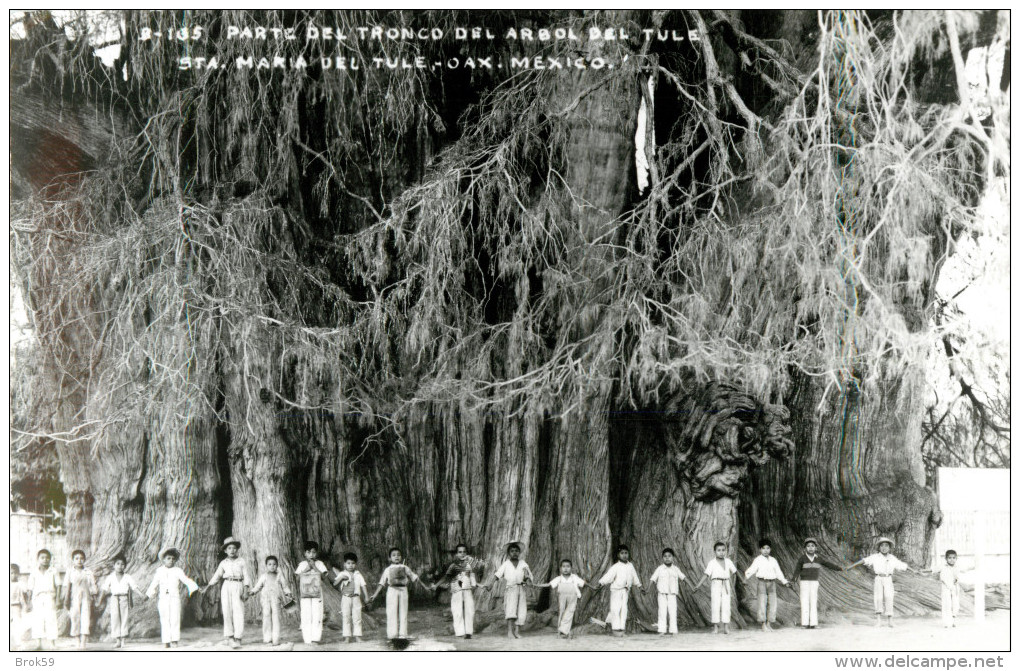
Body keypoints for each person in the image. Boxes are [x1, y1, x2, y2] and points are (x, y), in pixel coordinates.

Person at [845, 536, 921, 627]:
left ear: (889, 548)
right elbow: (863, 561)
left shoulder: (892, 558)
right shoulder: (875, 557)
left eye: (886, 546)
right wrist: (851, 566)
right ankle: (879, 621)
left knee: (889, 597)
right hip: (878, 578)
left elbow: (902, 565)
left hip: (888, 578)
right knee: (878, 598)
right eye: (882, 546)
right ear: (879, 547)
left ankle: (890, 621)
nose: (884, 548)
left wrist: (913, 570)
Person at [369, 547, 436, 640]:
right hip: (392, 591)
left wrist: (425, 587)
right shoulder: (387, 570)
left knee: (403, 612)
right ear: (389, 558)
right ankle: (392, 635)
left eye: (398, 555)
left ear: (401, 557)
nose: (396, 557)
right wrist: (375, 595)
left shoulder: (405, 568)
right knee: (391, 611)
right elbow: (381, 583)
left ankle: (403, 634)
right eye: (394, 555)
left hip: (403, 590)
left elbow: (415, 578)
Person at [146, 548, 200, 648]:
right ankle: (166, 641)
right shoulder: (159, 571)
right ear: (163, 560)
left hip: (175, 598)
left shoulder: (178, 571)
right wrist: (148, 594)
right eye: (168, 558)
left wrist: (195, 587)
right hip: (163, 599)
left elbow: (186, 580)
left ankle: (174, 640)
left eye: (173, 558)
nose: (171, 560)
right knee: (164, 619)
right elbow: (154, 583)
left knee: (174, 619)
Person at [205, 536, 252, 648]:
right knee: (227, 611)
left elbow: (246, 576)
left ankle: (238, 637)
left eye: (234, 548)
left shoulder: (241, 561)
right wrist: (208, 586)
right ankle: (229, 636)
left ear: (237, 550)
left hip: (238, 585)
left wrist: (246, 590)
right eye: (229, 548)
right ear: (225, 550)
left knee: (238, 611)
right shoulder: (223, 563)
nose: (232, 550)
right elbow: (217, 576)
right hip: (226, 586)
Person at [482, 542, 534, 639]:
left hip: (521, 589)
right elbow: (497, 575)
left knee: (521, 610)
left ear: (519, 552)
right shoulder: (506, 564)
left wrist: (527, 578)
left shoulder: (523, 563)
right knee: (511, 609)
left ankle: (517, 631)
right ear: (508, 553)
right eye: (512, 551)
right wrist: (490, 584)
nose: (514, 553)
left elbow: (528, 575)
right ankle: (510, 631)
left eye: (516, 551)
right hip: (511, 589)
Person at [790, 537, 844, 629]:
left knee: (813, 602)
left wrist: (839, 568)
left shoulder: (818, 559)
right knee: (804, 601)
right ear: (805, 548)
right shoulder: (802, 559)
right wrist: (793, 580)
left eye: (812, 546)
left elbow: (828, 564)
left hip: (814, 583)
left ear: (816, 548)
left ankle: (813, 623)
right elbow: (797, 570)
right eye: (808, 546)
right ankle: (805, 623)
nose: (810, 548)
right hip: (804, 583)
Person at [691, 541, 742, 634]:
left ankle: (726, 627)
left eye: (723, 550)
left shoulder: (728, 561)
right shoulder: (712, 563)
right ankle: (715, 627)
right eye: (719, 550)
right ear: (714, 551)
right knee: (715, 605)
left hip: (726, 583)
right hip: (716, 584)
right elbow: (706, 575)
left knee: (726, 605)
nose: (721, 552)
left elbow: (735, 571)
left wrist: (743, 580)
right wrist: (698, 585)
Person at [532, 559, 590, 638]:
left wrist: (593, 587)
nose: (566, 568)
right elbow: (548, 584)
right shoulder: (559, 578)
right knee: (562, 612)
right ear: (560, 568)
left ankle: (567, 631)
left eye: (568, 566)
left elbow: (584, 583)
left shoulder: (574, 578)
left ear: (571, 568)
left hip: (572, 596)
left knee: (570, 612)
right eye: (563, 567)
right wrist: (535, 585)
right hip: (562, 596)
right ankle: (560, 632)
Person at [594, 544, 642, 637]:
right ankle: (615, 629)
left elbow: (634, 577)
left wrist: (639, 586)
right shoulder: (616, 566)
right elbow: (608, 576)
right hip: (616, 591)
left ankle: (621, 628)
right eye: (622, 553)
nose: (624, 555)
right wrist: (601, 583)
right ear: (618, 555)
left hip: (625, 591)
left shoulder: (630, 566)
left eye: (626, 553)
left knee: (624, 610)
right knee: (615, 609)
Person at [101, 554, 147, 648]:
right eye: (117, 564)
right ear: (114, 565)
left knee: (124, 618)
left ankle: (123, 641)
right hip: (114, 598)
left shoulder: (127, 577)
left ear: (125, 566)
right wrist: (99, 600)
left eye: (122, 564)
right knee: (115, 618)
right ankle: (117, 640)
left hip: (124, 599)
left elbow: (134, 587)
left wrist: (141, 595)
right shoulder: (110, 577)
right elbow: (104, 588)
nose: (120, 566)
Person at [744, 538, 789, 632]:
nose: (765, 550)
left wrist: (784, 581)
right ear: (760, 549)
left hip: (772, 583)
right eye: (763, 548)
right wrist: (746, 578)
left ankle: (769, 623)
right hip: (762, 583)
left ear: (770, 549)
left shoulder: (773, 560)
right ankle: (763, 624)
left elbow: (778, 572)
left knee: (772, 603)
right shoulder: (758, 560)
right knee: (762, 603)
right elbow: (752, 569)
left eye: (768, 548)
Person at [250, 555, 292, 646]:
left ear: (277, 565)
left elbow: (284, 586)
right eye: (269, 564)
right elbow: (258, 586)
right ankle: (267, 639)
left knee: (276, 618)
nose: (272, 566)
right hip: (265, 599)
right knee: (266, 616)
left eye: (274, 564)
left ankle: (276, 639)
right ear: (266, 566)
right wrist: (253, 591)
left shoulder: (279, 576)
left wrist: (288, 592)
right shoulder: (264, 576)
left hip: (276, 599)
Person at [440, 544, 479, 639]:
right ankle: (459, 631)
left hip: (467, 589)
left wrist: (474, 584)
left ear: (467, 553)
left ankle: (469, 632)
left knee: (470, 609)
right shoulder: (453, 566)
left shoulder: (469, 565)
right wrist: (439, 585)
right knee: (457, 610)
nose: (462, 554)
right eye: (460, 552)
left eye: (464, 552)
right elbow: (447, 577)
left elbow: (472, 575)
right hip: (456, 589)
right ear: (456, 554)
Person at [63, 549, 99, 649]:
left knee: (85, 619)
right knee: (75, 618)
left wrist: (94, 598)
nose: (79, 560)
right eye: (77, 558)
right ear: (73, 560)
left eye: (82, 558)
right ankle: (77, 641)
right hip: (74, 598)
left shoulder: (88, 572)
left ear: (84, 560)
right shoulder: (70, 571)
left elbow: (92, 586)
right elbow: (67, 586)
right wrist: (66, 599)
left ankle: (83, 642)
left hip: (86, 598)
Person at [645, 547, 686, 636]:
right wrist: (648, 589)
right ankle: (662, 629)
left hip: (672, 594)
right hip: (662, 594)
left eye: (669, 556)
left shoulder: (675, 569)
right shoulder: (660, 569)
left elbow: (683, 578)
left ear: (673, 558)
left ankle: (673, 630)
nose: (667, 558)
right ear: (662, 558)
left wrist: (693, 587)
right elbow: (652, 579)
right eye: (665, 556)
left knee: (672, 611)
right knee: (662, 612)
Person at [294, 541, 328, 645]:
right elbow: (297, 579)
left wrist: (315, 567)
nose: (311, 555)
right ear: (305, 553)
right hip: (305, 594)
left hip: (317, 594)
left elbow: (324, 578)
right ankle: (307, 639)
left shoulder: (320, 564)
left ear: (316, 553)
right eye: (309, 552)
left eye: (313, 552)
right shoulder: (302, 564)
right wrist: (306, 569)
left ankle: (315, 638)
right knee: (306, 614)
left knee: (317, 614)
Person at [331, 552, 369, 643]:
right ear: (344, 564)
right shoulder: (342, 574)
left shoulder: (358, 574)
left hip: (356, 598)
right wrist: (341, 578)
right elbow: (335, 584)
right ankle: (347, 637)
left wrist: (366, 597)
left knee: (357, 617)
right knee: (346, 616)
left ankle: (357, 636)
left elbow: (363, 585)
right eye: (348, 563)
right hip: (346, 598)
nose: (351, 565)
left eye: (353, 563)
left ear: (355, 564)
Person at [26, 549, 59, 650]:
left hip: (50, 597)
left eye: (47, 558)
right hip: (37, 598)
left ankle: (52, 643)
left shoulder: (53, 571)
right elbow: (30, 589)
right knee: (37, 620)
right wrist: (29, 602)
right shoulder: (34, 572)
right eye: (42, 558)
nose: (45, 560)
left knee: (51, 619)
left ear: (50, 559)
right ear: (38, 559)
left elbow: (58, 586)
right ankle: (38, 643)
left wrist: (58, 599)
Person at [936, 549, 961, 628]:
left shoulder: (957, 567)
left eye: (954, 558)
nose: (952, 560)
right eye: (949, 558)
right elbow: (933, 570)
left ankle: (953, 621)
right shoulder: (942, 567)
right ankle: (946, 622)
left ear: (956, 558)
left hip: (955, 588)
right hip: (946, 588)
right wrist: (922, 571)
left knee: (955, 605)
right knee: (947, 604)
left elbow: (967, 568)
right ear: (946, 559)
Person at [10, 564, 26, 649]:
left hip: (16, 606)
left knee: (17, 624)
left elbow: (23, 595)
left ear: (18, 574)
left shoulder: (20, 584)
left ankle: (18, 642)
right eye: (11, 573)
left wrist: (25, 605)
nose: (13, 575)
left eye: (15, 573)